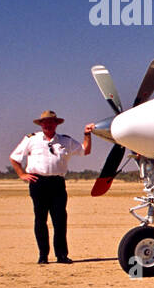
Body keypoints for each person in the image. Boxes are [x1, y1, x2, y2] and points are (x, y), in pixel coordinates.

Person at [9, 111, 94, 264]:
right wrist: (22, 174)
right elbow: (14, 158)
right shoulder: (31, 139)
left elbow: (84, 151)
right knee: (40, 220)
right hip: (38, 183)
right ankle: (43, 256)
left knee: (60, 220)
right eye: (45, 122)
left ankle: (61, 255)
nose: (48, 125)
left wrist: (87, 134)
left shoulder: (65, 141)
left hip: (57, 184)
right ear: (41, 124)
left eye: (51, 122)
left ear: (56, 124)